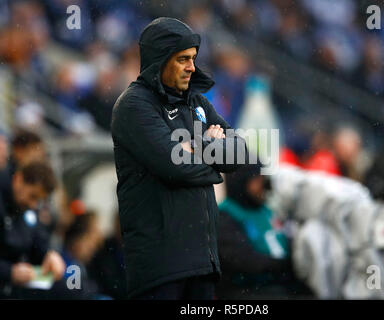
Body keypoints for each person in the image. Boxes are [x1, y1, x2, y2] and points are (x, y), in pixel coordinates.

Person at [111, 17, 248, 300]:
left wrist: (196, 147)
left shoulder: (197, 102)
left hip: (204, 261)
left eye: (194, 58)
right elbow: (176, 166)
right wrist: (212, 150)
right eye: (183, 59)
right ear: (159, 59)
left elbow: (240, 154)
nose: (192, 67)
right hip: (160, 266)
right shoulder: (134, 105)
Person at [216, 162, 314, 299]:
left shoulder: (267, 210)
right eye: (257, 180)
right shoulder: (225, 215)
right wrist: (286, 265)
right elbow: (243, 261)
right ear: (242, 182)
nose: (263, 185)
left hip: (282, 285)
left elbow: (288, 240)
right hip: (248, 291)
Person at [0, 161, 66, 299]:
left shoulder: (26, 211)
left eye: (39, 200)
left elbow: (37, 240)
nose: (33, 204)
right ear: (18, 179)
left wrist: (49, 254)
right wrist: (9, 272)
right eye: (32, 196)